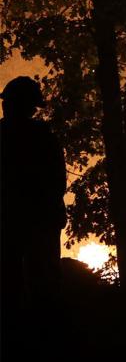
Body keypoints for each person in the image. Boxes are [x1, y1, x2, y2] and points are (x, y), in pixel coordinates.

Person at [0, 77, 66, 313]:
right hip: (40, 222)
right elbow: (58, 183)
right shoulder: (45, 138)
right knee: (42, 287)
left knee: (16, 286)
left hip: (19, 222)